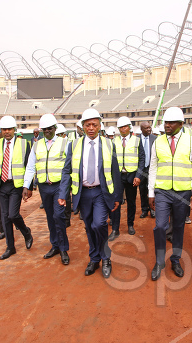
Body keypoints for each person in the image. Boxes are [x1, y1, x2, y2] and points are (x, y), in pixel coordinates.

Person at [58, 108, 122, 278]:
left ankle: (105, 258)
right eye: (88, 125)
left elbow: (115, 171)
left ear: (100, 126)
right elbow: (66, 171)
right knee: (88, 227)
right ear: (83, 127)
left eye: (94, 124)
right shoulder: (74, 145)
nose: (91, 128)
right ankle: (94, 258)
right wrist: (63, 193)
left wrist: (117, 196)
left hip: (101, 192)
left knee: (99, 224)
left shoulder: (109, 144)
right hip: (83, 193)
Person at [148, 107, 192, 281]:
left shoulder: (191, 142)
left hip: (183, 192)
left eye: (171, 122)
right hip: (162, 191)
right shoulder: (158, 142)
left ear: (181, 124)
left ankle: (176, 260)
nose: (167, 125)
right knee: (160, 226)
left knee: (179, 227)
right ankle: (159, 261)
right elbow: (153, 168)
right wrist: (151, 192)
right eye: (166, 122)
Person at [23, 114, 70, 265]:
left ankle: (63, 249)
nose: (47, 131)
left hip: (59, 186)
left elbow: (70, 167)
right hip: (44, 186)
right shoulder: (37, 145)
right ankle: (55, 245)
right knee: (50, 217)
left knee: (58, 216)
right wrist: (26, 185)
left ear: (55, 128)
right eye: (45, 129)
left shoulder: (65, 143)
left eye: (50, 128)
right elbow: (31, 166)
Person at [0, 116, 34, 260]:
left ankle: (26, 232)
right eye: (4, 129)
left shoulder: (24, 144)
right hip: (0, 186)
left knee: (13, 215)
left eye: (9, 129)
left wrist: (28, 186)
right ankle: (10, 247)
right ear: (1, 130)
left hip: (16, 185)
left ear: (14, 130)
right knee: (5, 217)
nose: (7, 132)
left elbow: (29, 166)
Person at [109, 117, 145, 241]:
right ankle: (115, 229)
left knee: (131, 202)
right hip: (117, 177)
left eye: (125, 127)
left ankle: (130, 224)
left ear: (129, 127)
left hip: (131, 176)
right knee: (116, 202)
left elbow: (142, 159)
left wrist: (138, 176)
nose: (123, 129)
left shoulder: (137, 140)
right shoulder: (114, 141)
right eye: (120, 127)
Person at [139, 121, 156, 219]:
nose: (149, 129)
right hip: (141, 169)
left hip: (151, 169)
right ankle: (144, 210)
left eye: (149, 127)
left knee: (152, 189)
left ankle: (152, 210)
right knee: (142, 190)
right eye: (146, 128)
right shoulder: (137, 140)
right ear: (141, 129)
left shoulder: (155, 139)